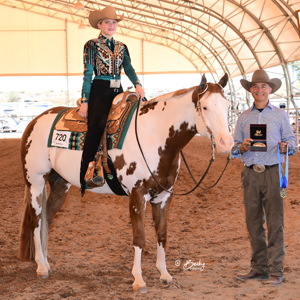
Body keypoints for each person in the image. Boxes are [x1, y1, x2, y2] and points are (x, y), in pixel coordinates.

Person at [231, 70, 296, 286]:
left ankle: (276, 270)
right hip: (250, 173)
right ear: (251, 90)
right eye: (255, 86)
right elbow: (234, 148)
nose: (259, 90)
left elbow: (292, 143)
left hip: (273, 173)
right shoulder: (243, 117)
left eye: (263, 86)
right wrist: (241, 147)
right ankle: (259, 268)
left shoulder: (280, 115)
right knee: (253, 222)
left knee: (276, 222)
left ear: (270, 90)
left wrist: (287, 147)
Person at [78, 6, 145, 195]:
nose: (111, 25)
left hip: (118, 90)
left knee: (132, 120)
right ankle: (86, 173)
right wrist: (85, 101)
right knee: (97, 125)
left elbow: (129, 68)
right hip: (99, 90)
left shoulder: (122, 46)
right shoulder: (91, 45)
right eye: (107, 22)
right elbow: (88, 74)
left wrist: (137, 84)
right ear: (100, 24)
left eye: (114, 22)